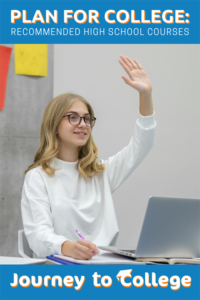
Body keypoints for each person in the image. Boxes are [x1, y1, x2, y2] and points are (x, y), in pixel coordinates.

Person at [21, 55, 156, 259]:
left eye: (87, 118)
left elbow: (143, 143)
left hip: (104, 266)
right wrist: (69, 247)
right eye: (73, 117)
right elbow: (38, 236)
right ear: (54, 125)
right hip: (62, 268)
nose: (83, 124)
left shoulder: (101, 172)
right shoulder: (37, 177)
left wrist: (146, 95)